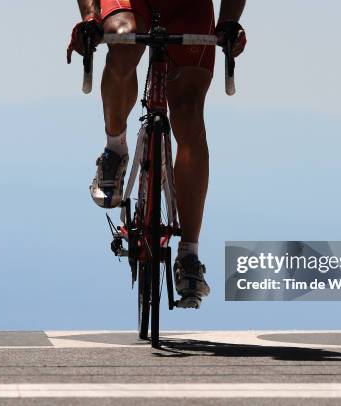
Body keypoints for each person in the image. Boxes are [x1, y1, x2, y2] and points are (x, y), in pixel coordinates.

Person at [68, 0, 246, 307]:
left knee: (189, 111)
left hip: (188, 6)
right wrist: (89, 16)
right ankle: (115, 148)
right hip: (132, 3)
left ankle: (189, 254)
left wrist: (229, 21)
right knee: (123, 42)